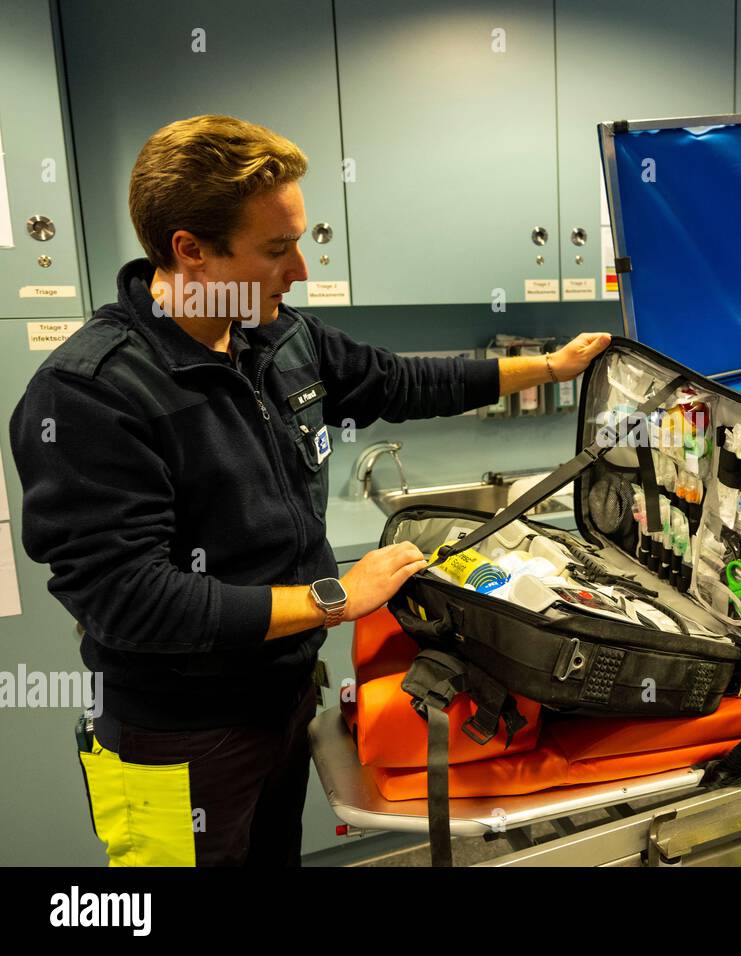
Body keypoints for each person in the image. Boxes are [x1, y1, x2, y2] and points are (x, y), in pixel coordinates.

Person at [7, 114, 610, 866]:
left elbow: (399, 380)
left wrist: (548, 368)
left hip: (281, 708)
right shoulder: (91, 393)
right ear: (189, 250)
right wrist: (336, 599)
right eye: (276, 248)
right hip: (175, 740)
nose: (298, 271)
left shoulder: (276, 334)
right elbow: (132, 599)